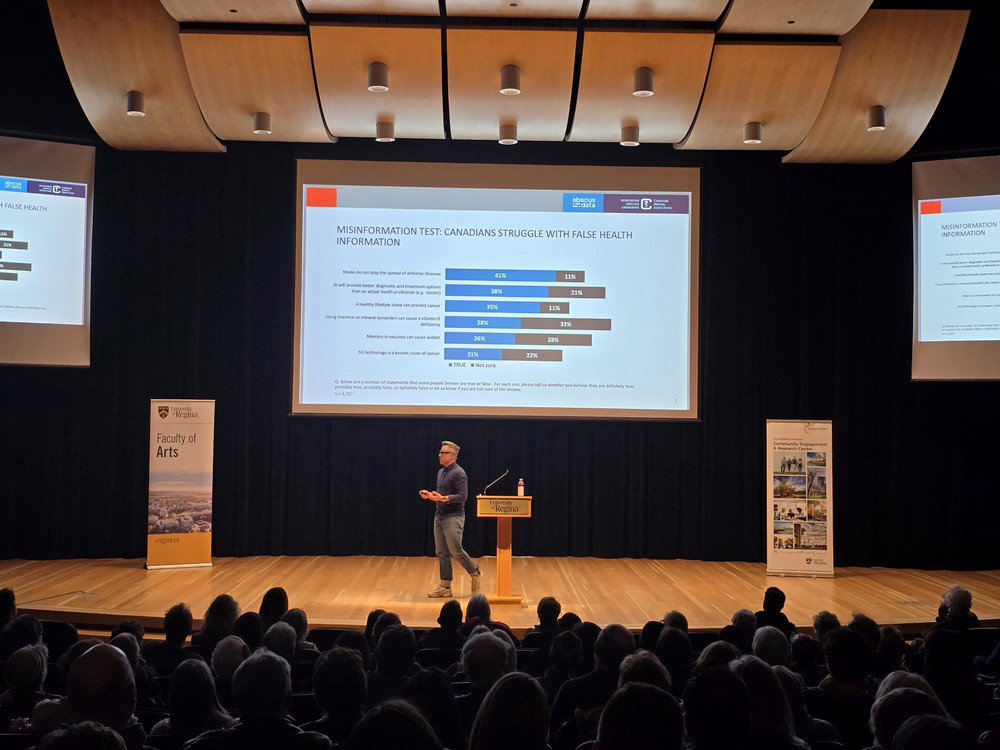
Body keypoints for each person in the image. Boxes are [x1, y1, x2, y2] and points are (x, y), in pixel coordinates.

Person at [420, 440, 481, 598]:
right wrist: (431, 495)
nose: (439, 455)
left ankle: (474, 571)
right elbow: (442, 495)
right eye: (440, 452)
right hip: (439, 516)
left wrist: (444, 498)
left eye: (443, 453)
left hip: (454, 517)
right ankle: (445, 586)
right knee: (441, 552)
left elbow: (463, 497)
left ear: (452, 456)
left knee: (456, 550)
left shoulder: (459, 473)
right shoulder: (441, 472)